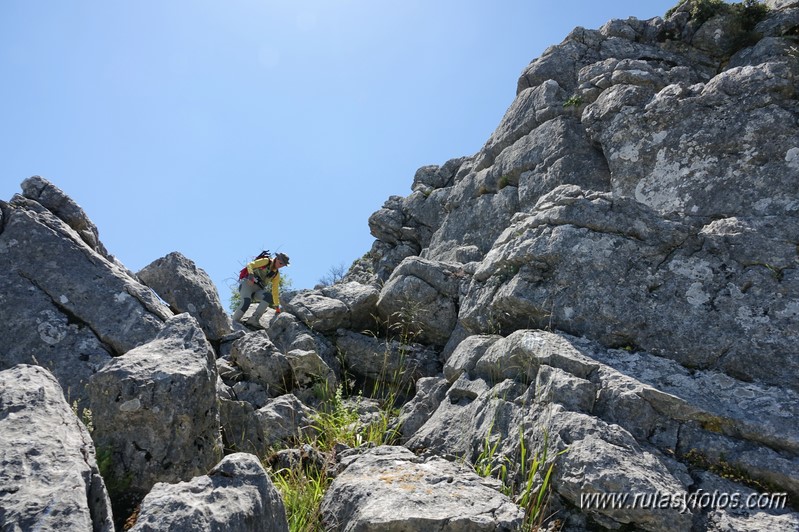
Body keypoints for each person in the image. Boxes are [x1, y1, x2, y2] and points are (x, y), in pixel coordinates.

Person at [232, 252, 290, 327]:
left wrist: (277, 305)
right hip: (247, 284)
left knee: (268, 296)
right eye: (281, 263)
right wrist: (250, 275)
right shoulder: (266, 261)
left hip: (258, 290)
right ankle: (233, 323)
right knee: (246, 301)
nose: (281, 266)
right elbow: (250, 265)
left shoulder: (276, 275)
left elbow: (275, 290)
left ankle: (254, 320)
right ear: (277, 259)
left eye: (283, 265)